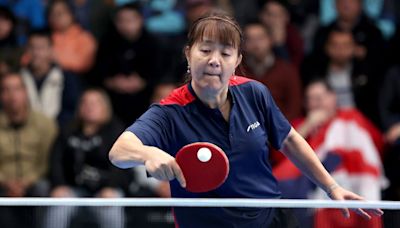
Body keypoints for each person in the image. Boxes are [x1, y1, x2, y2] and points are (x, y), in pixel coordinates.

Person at [109, 11, 383, 227]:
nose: (214, 60)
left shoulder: (254, 92)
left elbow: (289, 140)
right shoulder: (170, 112)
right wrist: (148, 153)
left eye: (225, 53)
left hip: (270, 218)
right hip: (208, 225)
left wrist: (332, 187)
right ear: (188, 55)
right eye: (205, 50)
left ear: (237, 60)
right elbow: (119, 151)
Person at [273, 79, 385, 228]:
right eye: (310, 100)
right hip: (313, 191)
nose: (316, 104)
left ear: (333, 98)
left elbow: (376, 146)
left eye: (320, 98)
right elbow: (279, 156)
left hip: (356, 186)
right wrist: (308, 125)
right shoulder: (299, 125)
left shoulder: (352, 118)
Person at [44, 88, 128, 228]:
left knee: (112, 204)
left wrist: (111, 187)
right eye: (85, 103)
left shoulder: (117, 131)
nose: (90, 107)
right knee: (59, 204)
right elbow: (56, 161)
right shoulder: (67, 130)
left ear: (105, 107)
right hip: (73, 190)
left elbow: (122, 165)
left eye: (95, 103)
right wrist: (58, 185)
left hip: (104, 189)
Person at [0, 72, 57, 227]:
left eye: (17, 89)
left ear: (26, 92)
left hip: (35, 182)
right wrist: (7, 182)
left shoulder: (45, 124)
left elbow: (48, 161)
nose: (12, 96)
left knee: (44, 188)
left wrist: (26, 182)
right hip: (3, 184)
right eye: (6, 90)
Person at [241, 20, 302, 121]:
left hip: (280, 130)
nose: (256, 44)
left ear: (270, 40)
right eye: (250, 39)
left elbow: (294, 108)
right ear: (243, 44)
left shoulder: (287, 71)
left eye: (260, 38)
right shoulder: (237, 71)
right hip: (245, 130)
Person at [20, 29, 81, 127]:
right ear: (26, 50)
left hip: (57, 132)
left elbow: (71, 109)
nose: (36, 53)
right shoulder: (17, 77)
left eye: (41, 48)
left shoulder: (66, 78)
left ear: (51, 50)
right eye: (32, 47)